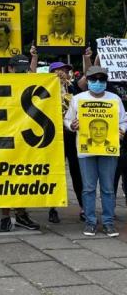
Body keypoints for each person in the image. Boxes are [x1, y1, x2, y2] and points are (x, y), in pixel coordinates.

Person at [65, 66, 127, 237]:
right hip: (86, 150)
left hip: (108, 150)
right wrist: (72, 125)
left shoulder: (114, 99)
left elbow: (123, 120)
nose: (97, 83)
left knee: (108, 188)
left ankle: (108, 223)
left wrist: (122, 131)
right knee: (88, 188)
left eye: (101, 80)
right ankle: (90, 222)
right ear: (88, 81)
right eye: (93, 80)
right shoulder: (78, 99)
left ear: (106, 82)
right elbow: (68, 119)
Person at [0, 54, 41, 232]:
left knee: (22, 178)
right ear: (10, 69)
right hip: (4, 139)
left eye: (25, 70)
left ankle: (21, 214)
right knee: (5, 179)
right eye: (19, 69)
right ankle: (5, 216)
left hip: (25, 139)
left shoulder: (30, 84)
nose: (23, 73)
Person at [48, 58, 86, 224]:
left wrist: (86, 57)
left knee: (77, 171)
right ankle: (52, 208)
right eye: (59, 70)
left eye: (66, 70)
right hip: (53, 136)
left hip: (71, 135)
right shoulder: (45, 89)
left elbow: (86, 78)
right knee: (55, 172)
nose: (63, 73)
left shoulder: (73, 88)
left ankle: (84, 207)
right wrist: (34, 57)